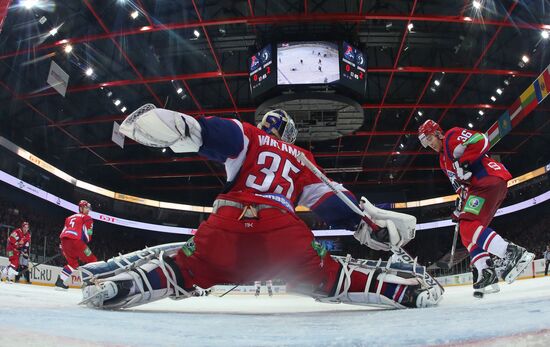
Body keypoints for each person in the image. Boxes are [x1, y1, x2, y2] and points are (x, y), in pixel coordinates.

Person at [81, 106, 441, 310]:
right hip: (282, 232)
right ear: (289, 132)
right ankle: (405, 292)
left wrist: (161, 122)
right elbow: (336, 204)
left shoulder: (246, 133)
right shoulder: (302, 157)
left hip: (227, 224)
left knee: (182, 269)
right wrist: (370, 226)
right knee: (331, 277)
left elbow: (196, 131)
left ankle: (118, 287)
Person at [418, 119, 535, 297]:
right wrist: (462, 203)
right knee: (467, 233)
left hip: (487, 179)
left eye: (429, 138)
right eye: (425, 142)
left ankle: (512, 253)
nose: (429, 145)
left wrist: (464, 159)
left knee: (469, 227)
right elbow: (459, 184)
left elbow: (482, 139)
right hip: (480, 187)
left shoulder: (451, 135)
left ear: (437, 133)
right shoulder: (443, 161)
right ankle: (486, 272)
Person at [55, 200, 98, 289]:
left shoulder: (69, 217)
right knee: (93, 260)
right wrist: (85, 243)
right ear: (81, 208)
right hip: (77, 242)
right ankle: (89, 282)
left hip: (64, 241)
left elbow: (64, 231)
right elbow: (88, 233)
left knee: (73, 264)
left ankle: (60, 281)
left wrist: (62, 246)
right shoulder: (87, 218)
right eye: (86, 208)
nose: (88, 210)